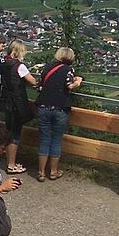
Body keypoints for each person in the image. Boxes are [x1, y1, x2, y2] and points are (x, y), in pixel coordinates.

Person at [35, 47, 83, 182]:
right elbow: (69, 86)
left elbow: (39, 86)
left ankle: (41, 172)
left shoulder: (47, 68)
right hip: (60, 108)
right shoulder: (68, 69)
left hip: (43, 106)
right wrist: (78, 81)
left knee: (44, 139)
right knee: (56, 140)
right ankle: (53, 171)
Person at [0, 39, 39, 174]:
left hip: (7, 103)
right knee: (15, 135)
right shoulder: (19, 66)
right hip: (17, 104)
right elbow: (33, 81)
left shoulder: (4, 64)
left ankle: (9, 161)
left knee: (10, 131)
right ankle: (11, 165)